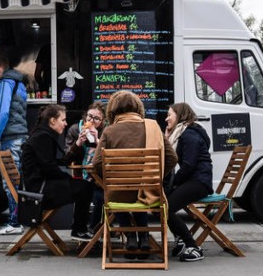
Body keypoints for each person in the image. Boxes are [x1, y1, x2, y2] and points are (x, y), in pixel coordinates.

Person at [91, 91, 177, 258]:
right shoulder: (153, 127)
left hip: (118, 194)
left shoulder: (109, 131)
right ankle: (144, 237)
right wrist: (154, 177)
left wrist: (110, 180)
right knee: (141, 188)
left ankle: (130, 236)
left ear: (113, 110)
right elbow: (172, 158)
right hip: (148, 192)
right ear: (138, 107)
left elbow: (96, 164)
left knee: (120, 190)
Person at [21, 104, 94, 241]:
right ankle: (79, 230)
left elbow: (59, 162)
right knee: (85, 187)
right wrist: (68, 179)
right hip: (39, 191)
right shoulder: (43, 137)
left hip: (39, 186)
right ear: (53, 120)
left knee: (83, 186)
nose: (66, 124)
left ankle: (80, 228)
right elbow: (49, 167)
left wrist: (77, 144)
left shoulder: (44, 134)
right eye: (63, 120)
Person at [164, 102, 214, 262]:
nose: (166, 119)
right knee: (162, 200)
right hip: (195, 180)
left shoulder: (189, 135)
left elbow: (188, 166)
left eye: (169, 115)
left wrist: (173, 183)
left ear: (179, 115)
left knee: (165, 207)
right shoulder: (184, 133)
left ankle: (193, 247)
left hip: (199, 182)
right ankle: (180, 237)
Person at [0, 55, 29, 235]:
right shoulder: (19, 83)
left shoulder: (4, 83)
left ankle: (14, 222)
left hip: (9, 137)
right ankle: (16, 220)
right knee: (16, 179)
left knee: (10, 181)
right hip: (19, 135)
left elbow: (3, 112)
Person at [64, 101, 107, 232]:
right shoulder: (75, 129)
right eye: (89, 116)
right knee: (92, 195)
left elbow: (111, 155)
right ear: (85, 116)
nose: (92, 121)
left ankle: (95, 230)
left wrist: (98, 141)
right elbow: (67, 158)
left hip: (101, 178)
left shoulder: (106, 132)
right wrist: (78, 143)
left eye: (96, 118)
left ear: (103, 120)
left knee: (103, 197)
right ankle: (89, 231)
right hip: (81, 177)